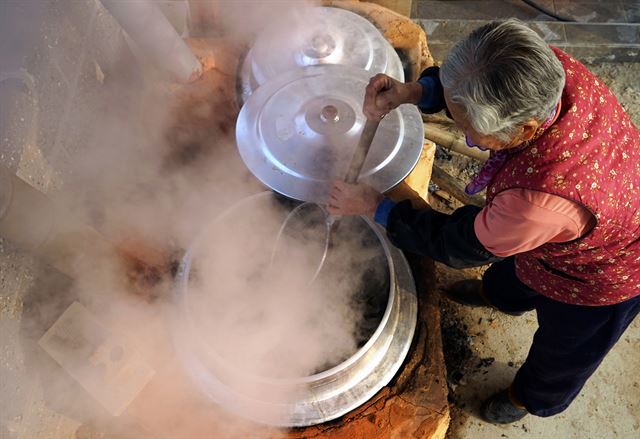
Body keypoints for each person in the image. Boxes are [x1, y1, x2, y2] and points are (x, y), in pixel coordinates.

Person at [327, 19, 640, 424]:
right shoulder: (541, 73)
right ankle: (499, 298)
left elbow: (457, 245)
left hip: (607, 273)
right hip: (564, 229)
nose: (464, 133)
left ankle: (529, 397)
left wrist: (376, 206)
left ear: (523, 129)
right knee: (517, 274)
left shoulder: (535, 202)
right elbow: (472, 83)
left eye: (470, 132)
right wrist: (414, 92)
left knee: (564, 349)